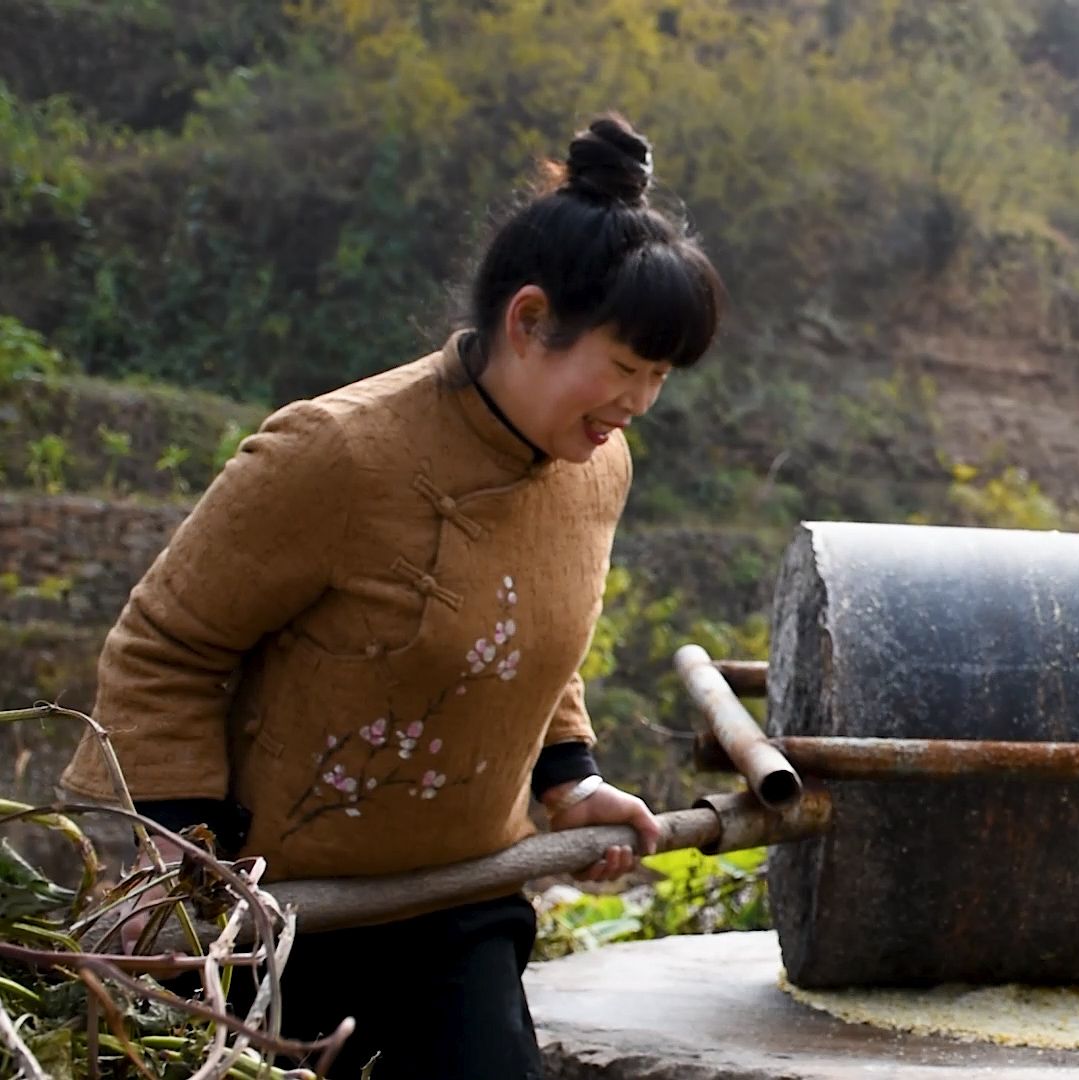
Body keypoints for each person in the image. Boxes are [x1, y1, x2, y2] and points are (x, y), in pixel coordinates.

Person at [58, 113, 724, 1078]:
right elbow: (168, 645)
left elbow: (534, 627)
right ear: (529, 321)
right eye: (625, 368)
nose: (640, 403)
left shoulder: (596, 464)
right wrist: (196, 861)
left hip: (464, 900)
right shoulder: (339, 455)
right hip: (277, 921)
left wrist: (569, 780)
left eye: (659, 376)